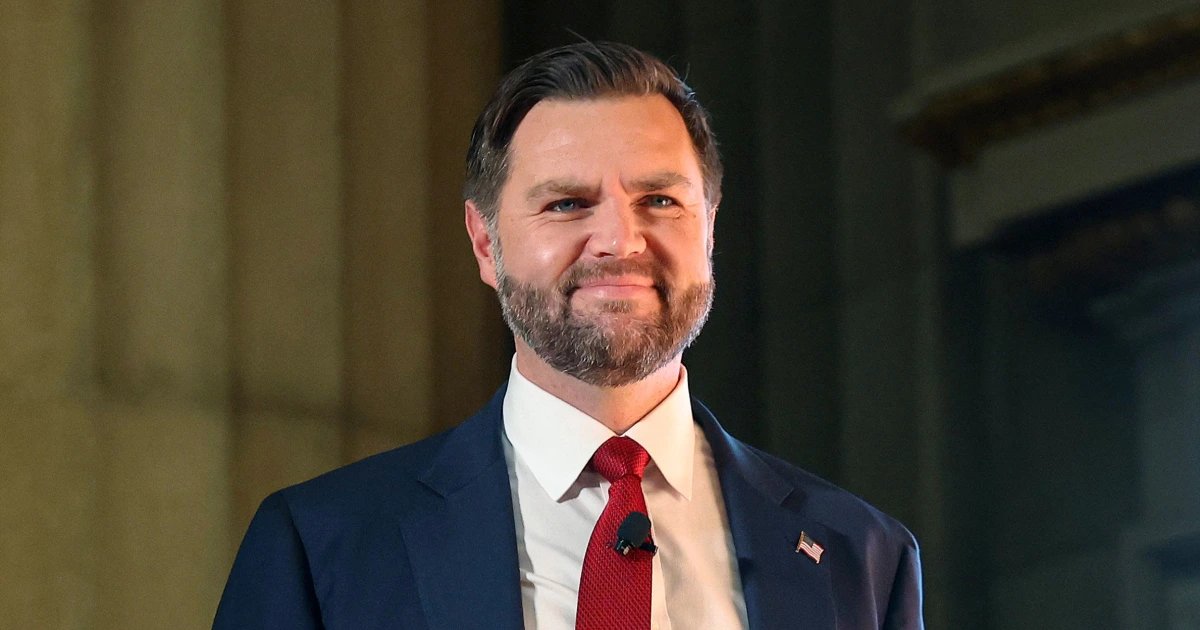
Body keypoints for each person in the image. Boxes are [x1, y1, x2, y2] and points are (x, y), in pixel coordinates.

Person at [213, 41, 923, 630]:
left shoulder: (864, 558)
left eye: (659, 200)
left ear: (709, 228)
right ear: (485, 244)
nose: (620, 240)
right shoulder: (321, 547)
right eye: (567, 203)